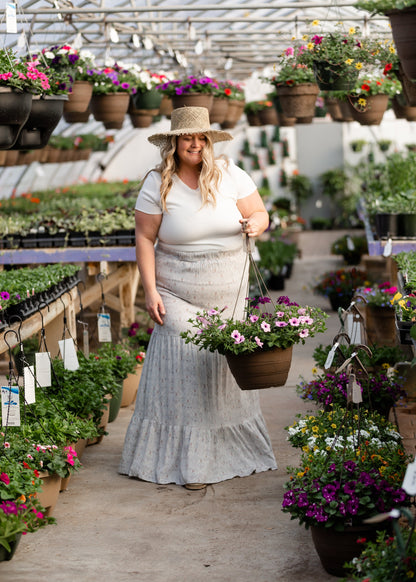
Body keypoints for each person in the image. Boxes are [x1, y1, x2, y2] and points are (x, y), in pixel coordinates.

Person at [119, 106, 277, 490]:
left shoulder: (230, 175)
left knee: (220, 372)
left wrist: (255, 223)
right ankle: (189, 461)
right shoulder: (157, 183)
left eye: (201, 137)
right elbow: (144, 238)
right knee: (184, 367)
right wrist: (151, 290)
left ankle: (224, 451)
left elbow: (260, 213)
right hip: (175, 290)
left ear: (209, 142)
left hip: (229, 294)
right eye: (187, 137)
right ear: (174, 143)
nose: (195, 143)